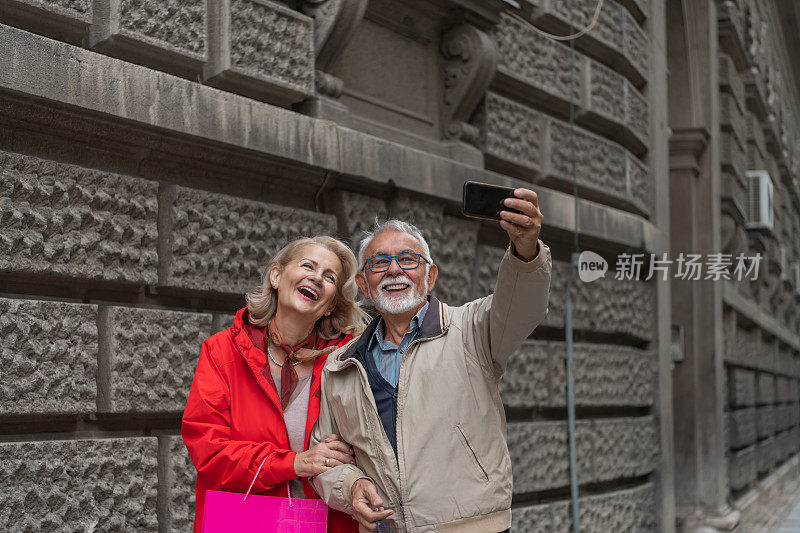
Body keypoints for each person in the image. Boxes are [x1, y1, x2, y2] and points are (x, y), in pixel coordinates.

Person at [310, 188, 550, 532]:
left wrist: (526, 249)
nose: (394, 270)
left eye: (408, 260)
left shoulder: (472, 329)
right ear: (364, 284)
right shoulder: (340, 366)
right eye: (379, 263)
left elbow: (522, 304)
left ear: (430, 276)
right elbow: (326, 455)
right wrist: (350, 485)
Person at [182, 236, 369, 533]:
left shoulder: (349, 361)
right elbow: (210, 453)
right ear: (276, 276)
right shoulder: (221, 351)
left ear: (331, 305)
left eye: (329, 277)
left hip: (327, 523)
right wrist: (295, 463)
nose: (316, 278)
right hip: (244, 522)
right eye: (307, 265)